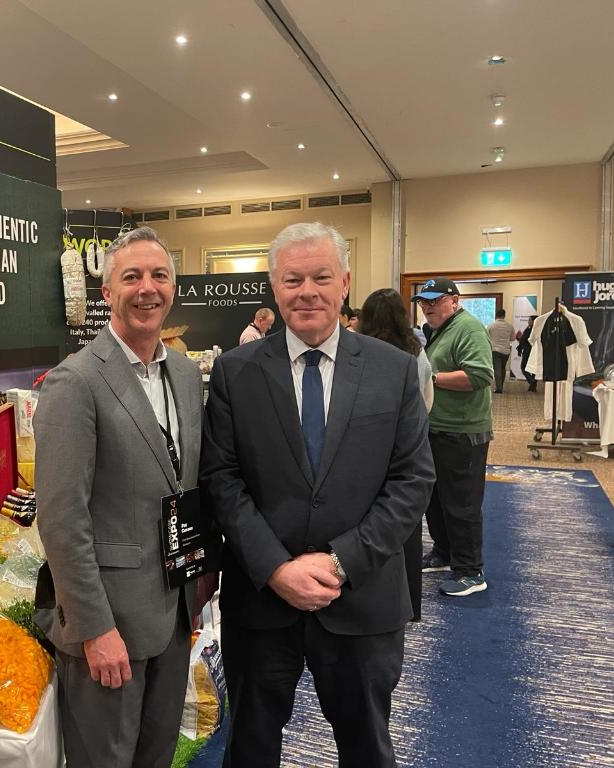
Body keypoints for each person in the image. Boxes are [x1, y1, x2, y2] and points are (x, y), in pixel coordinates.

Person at [200, 222, 435, 768]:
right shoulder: (235, 373)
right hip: (262, 604)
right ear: (274, 288)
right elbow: (222, 479)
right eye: (293, 280)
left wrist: (339, 561)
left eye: (321, 277)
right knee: (251, 747)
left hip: (361, 600)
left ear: (345, 282)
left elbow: (412, 482)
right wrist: (276, 569)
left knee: (367, 748)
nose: (307, 291)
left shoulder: (393, 370)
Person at [33, 226, 204, 768]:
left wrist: (197, 587)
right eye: (132, 277)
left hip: (173, 613)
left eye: (159, 275)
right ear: (107, 292)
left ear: (173, 287)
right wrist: (95, 628)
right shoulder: (75, 381)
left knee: (156, 757)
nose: (147, 288)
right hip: (109, 627)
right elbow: (62, 520)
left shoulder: (184, 373)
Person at [410, 277, 494, 597]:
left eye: (435, 300)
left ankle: (470, 571)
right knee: (435, 499)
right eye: (423, 301)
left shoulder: (468, 328)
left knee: (462, 504)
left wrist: (430, 379)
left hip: (463, 431)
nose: (428, 306)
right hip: (436, 427)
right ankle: (443, 553)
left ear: (455, 301)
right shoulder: (436, 330)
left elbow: (479, 375)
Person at [359, 288, 435, 622]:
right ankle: (410, 604)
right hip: (409, 444)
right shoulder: (415, 349)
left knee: (371, 523)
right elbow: (428, 397)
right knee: (406, 521)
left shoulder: (362, 352)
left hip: (368, 449)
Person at [487, 308, 514, 394]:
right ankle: (500, 385)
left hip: (495, 350)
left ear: (496, 315)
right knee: (503, 368)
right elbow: (513, 338)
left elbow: (486, 336)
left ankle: (499, 388)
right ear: (504, 315)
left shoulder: (491, 325)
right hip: (506, 350)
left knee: (497, 368)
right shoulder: (509, 326)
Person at [516, 315, 537, 391]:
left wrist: (519, 349)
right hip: (535, 351)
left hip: (528, 351)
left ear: (534, 321)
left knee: (523, 367)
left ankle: (532, 381)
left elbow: (523, 340)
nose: (528, 321)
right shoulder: (538, 330)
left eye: (530, 320)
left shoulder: (529, 330)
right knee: (534, 369)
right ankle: (533, 386)